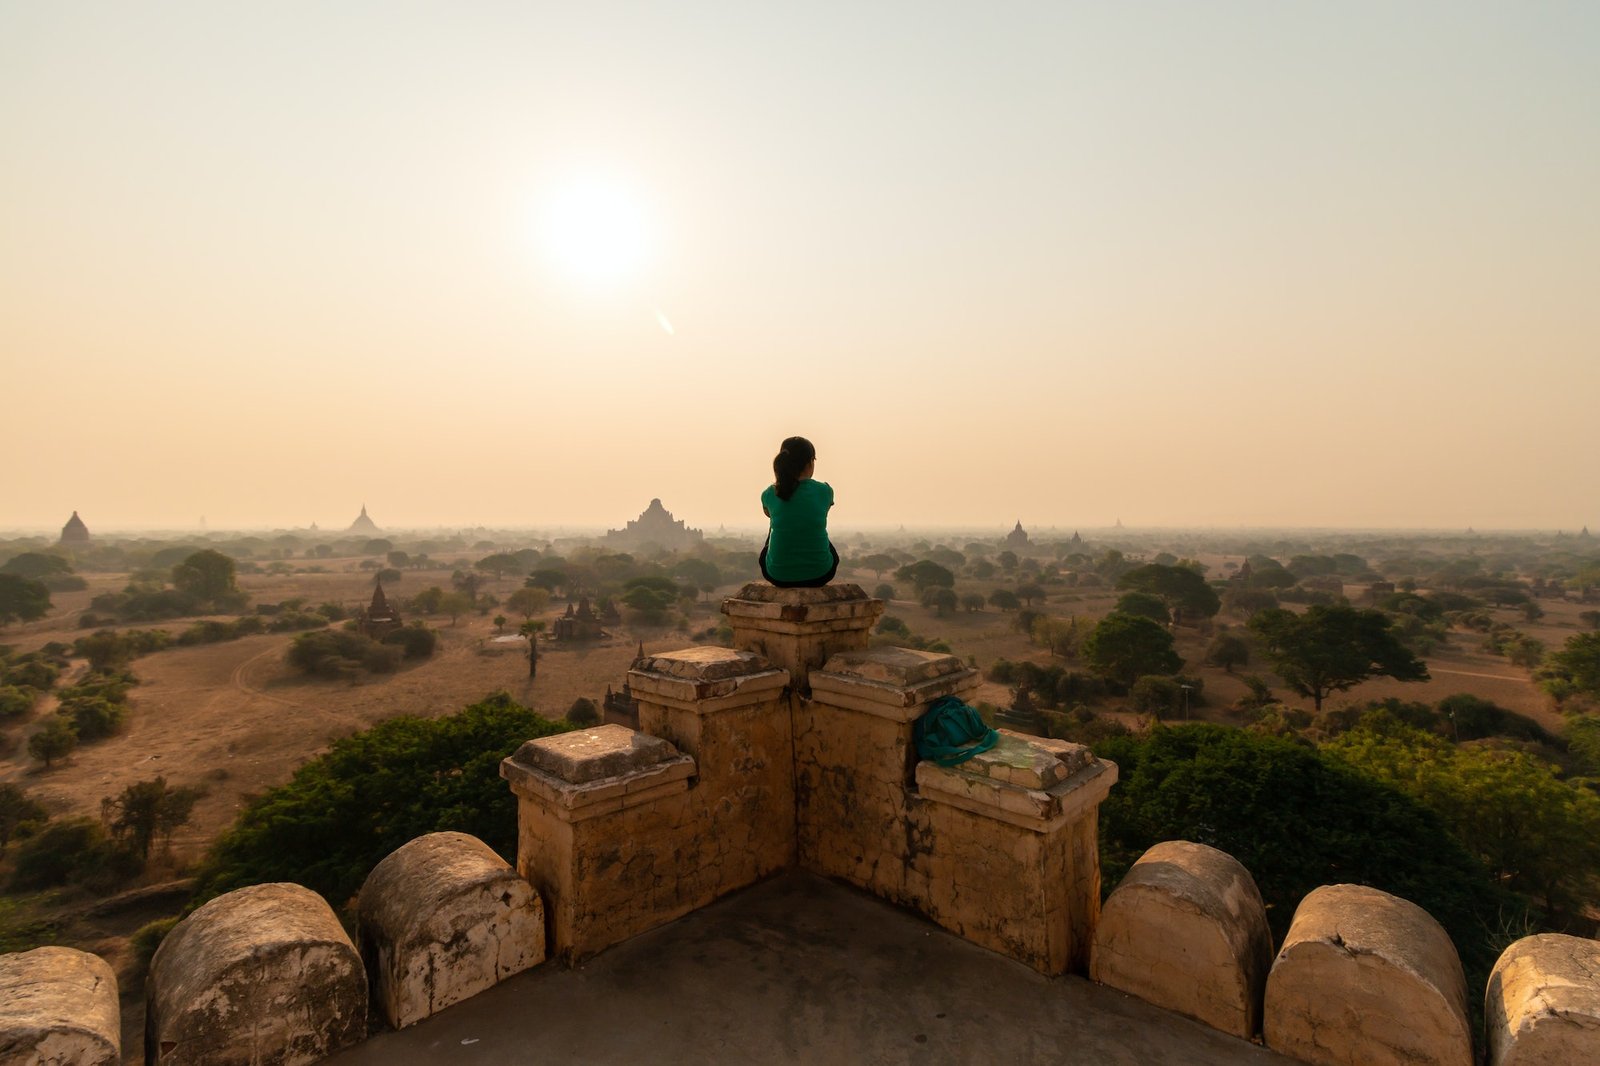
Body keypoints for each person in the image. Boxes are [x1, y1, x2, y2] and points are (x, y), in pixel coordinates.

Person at [759, 436, 839, 588]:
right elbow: (822, 511)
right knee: (814, 528)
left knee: (775, 525)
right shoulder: (825, 490)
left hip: (778, 576)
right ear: (810, 462)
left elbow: (768, 513)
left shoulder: (769, 493)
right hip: (820, 574)